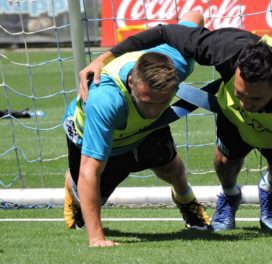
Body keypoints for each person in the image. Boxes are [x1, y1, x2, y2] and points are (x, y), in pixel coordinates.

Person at [79, 23, 272, 244]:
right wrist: (106, 57)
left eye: (254, 98)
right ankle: (229, 195)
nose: (245, 103)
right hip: (235, 122)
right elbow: (165, 32)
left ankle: (268, 188)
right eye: (240, 92)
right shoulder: (230, 49)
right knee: (225, 162)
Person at [63, 11, 211, 248]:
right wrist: (97, 239)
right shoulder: (105, 101)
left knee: (171, 167)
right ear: (132, 81)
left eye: (161, 102)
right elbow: (90, 171)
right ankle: (71, 185)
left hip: (141, 128)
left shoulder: (178, 63)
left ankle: (186, 200)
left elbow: (194, 16)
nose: (153, 110)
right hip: (94, 132)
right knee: (90, 193)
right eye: (147, 101)